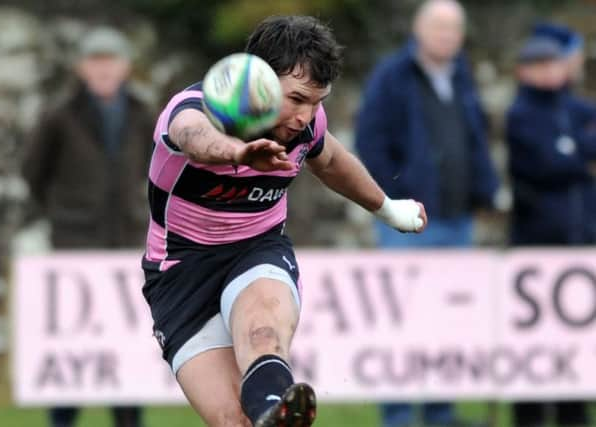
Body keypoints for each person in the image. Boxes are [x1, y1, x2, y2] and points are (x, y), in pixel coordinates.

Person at [140, 15, 427, 427]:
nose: (304, 117)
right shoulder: (195, 107)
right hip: (179, 270)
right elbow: (192, 137)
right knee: (232, 419)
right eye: (296, 98)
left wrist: (388, 208)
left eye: (317, 101)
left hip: (256, 248)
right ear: (259, 79)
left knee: (263, 334)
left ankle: (277, 409)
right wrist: (238, 153)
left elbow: (330, 161)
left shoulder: (306, 128)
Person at [354, 0, 498, 426]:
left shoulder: (462, 74)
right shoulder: (392, 76)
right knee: (403, 320)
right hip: (408, 222)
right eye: (439, 27)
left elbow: (475, 138)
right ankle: (398, 415)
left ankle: (440, 413)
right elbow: (370, 141)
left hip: (456, 218)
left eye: (454, 28)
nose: (447, 36)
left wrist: (484, 190)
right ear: (420, 30)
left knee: (448, 321)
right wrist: (393, 200)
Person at [21, 26, 152, 427]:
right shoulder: (59, 115)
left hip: (127, 243)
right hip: (75, 247)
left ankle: (128, 420)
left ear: (126, 67)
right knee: (72, 346)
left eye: (111, 61)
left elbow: (157, 169)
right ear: (82, 67)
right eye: (95, 61)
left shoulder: (142, 113)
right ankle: (63, 419)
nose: (103, 69)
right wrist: (66, 213)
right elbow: (33, 172)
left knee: (126, 347)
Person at [506, 35, 596, 427]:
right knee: (534, 345)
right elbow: (546, 164)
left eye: (554, 64)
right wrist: (580, 157)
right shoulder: (520, 113)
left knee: (576, 343)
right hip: (536, 243)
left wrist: (573, 151)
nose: (549, 71)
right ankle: (529, 417)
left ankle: (573, 415)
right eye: (539, 65)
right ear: (524, 70)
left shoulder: (574, 108)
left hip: (579, 240)